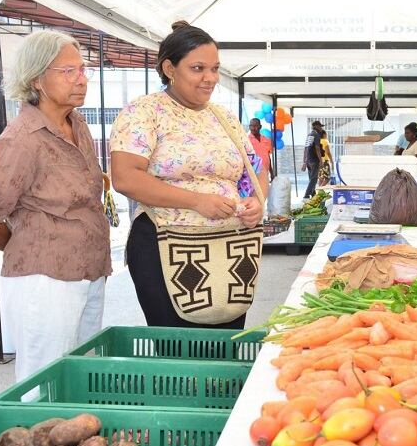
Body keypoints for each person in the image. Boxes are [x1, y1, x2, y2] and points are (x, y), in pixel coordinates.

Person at [0, 30, 111, 382]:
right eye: (68, 72)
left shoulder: (76, 124)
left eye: (82, 70)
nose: (81, 80)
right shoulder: (21, 140)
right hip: (46, 280)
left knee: (80, 375)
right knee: (43, 382)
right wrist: (29, 247)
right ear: (37, 80)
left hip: (90, 268)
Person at [110, 21, 267, 330]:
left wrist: (255, 202)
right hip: (167, 246)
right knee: (180, 353)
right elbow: (125, 177)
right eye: (198, 68)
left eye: (215, 69)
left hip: (231, 250)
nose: (210, 78)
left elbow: (255, 170)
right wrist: (196, 201)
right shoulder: (144, 112)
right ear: (169, 68)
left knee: (224, 349)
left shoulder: (223, 117)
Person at [301, 120, 323, 199]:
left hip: (309, 160)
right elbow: (317, 148)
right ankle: (306, 195)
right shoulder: (316, 135)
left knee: (311, 178)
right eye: (320, 126)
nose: (321, 128)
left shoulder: (309, 135)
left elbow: (305, 149)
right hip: (314, 160)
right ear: (316, 127)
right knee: (314, 179)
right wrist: (321, 161)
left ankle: (313, 194)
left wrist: (304, 162)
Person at [247, 117, 272, 182]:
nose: (253, 128)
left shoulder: (266, 140)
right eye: (251, 126)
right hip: (253, 174)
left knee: (264, 191)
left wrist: (272, 172)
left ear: (260, 127)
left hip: (265, 173)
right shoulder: (247, 140)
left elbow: (268, 157)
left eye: (255, 126)